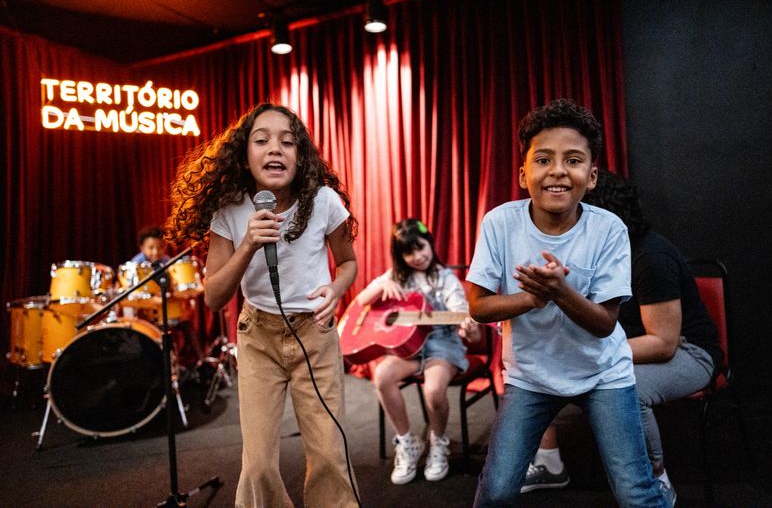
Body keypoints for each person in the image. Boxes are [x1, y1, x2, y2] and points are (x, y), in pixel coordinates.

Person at [468, 99, 672, 507]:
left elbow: (604, 324)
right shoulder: (500, 222)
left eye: (573, 160)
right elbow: (478, 306)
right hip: (530, 376)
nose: (558, 170)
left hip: (603, 373)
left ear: (591, 176)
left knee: (635, 493)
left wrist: (560, 293)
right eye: (543, 159)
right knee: (495, 493)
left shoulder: (609, 229)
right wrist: (531, 298)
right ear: (524, 174)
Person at [164, 102, 359, 508]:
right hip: (259, 338)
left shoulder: (322, 201)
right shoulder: (232, 210)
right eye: (262, 140)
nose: (276, 149)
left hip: (314, 335)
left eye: (288, 142)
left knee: (328, 455)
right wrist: (249, 244)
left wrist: (337, 289)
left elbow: (348, 263)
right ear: (245, 154)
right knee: (257, 466)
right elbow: (215, 297)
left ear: (300, 155)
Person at [519, 169, 721, 504]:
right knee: (546, 360)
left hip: (690, 352)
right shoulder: (603, 254)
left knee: (626, 386)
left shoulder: (650, 257)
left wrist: (591, 353)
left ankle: (654, 480)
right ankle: (550, 461)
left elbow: (663, 342)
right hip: (633, 345)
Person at [355, 218, 480, 485]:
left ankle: (437, 441)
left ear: (430, 244)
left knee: (433, 390)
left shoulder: (444, 278)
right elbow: (361, 302)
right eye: (408, 252)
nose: (417, 256)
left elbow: (461, 312)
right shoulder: (398, 276)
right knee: (382, 375)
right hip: (409, 348)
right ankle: (408, 442)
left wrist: (467, 326)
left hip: (442, 344)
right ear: (400, 256)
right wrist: (380, 287)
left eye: (421, 248)